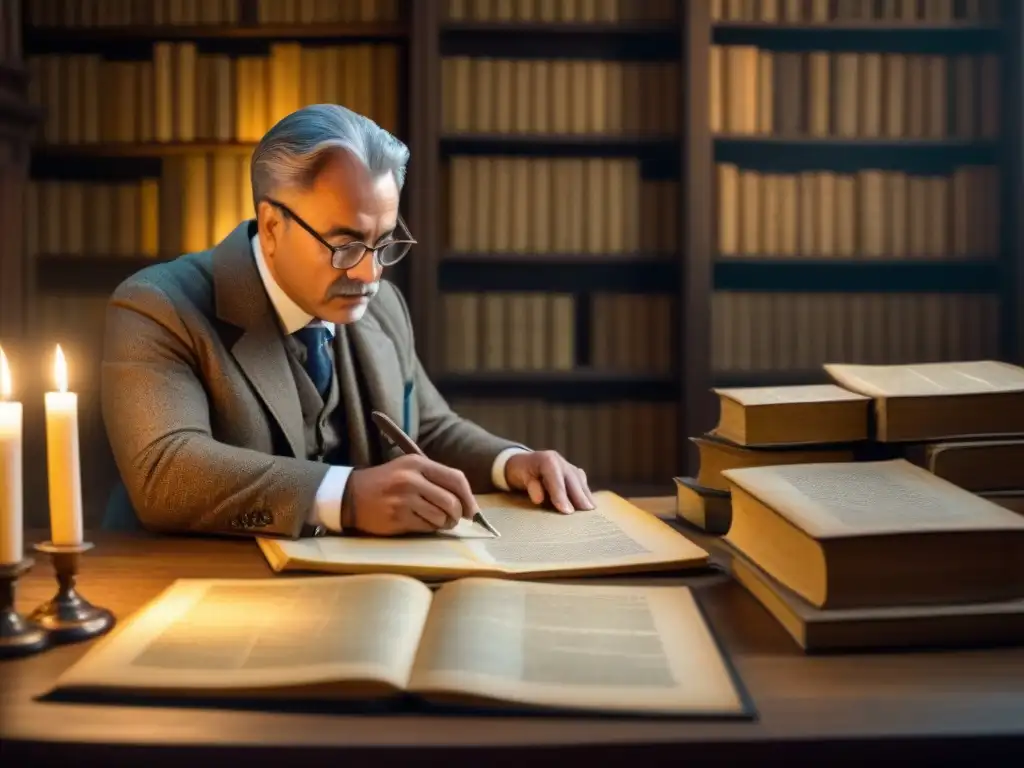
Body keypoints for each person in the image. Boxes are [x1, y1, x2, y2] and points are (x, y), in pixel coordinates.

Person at [100, 104, 594, 539]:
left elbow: (427, 427)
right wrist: (347, 496)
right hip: (190, 591)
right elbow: (167, 471)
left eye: (383, 242)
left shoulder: (382, 306)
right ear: (272, 227)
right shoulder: (157, 305)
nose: (369, 273)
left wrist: (512, 464)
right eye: (344, 244)